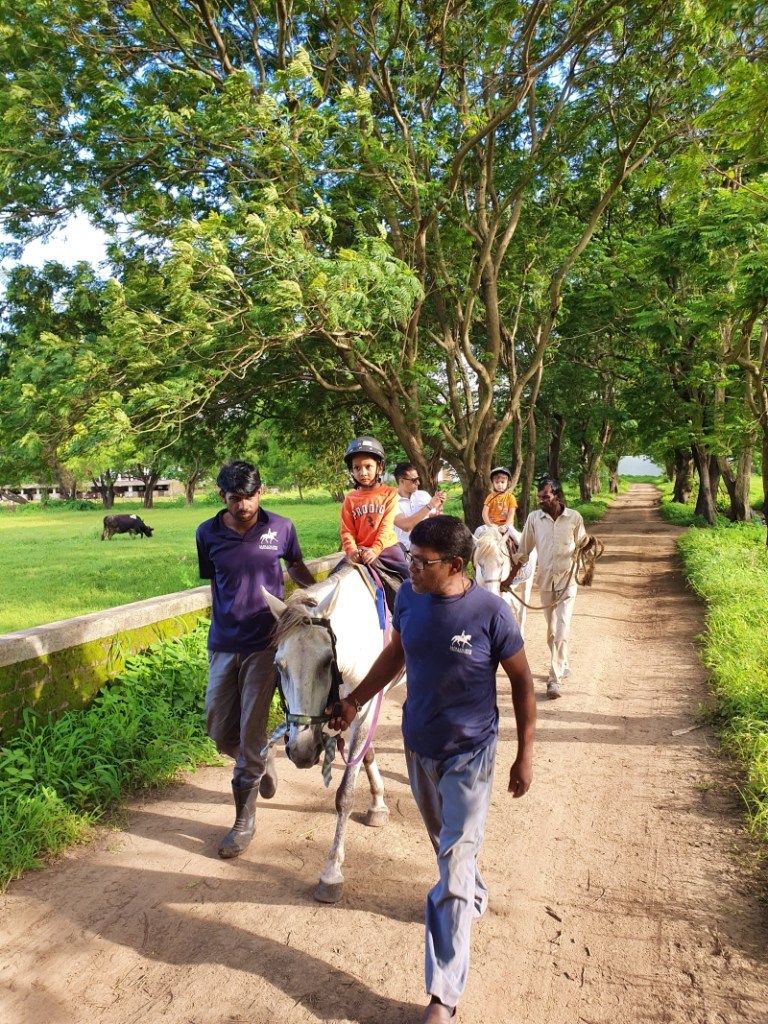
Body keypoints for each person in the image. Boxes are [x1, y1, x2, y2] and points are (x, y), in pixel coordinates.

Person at [328, 515, 536, 1024]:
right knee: (445, 845)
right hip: (419, 748)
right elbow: (396, 654)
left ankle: (443, 995)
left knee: (452, 873)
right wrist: (355, 700)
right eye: (411, 557)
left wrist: (524, 752)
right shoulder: (410, 599)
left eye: (422, 562)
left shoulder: (491, 613)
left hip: (470, 754)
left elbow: (523, 683)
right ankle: (471, 889)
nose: (411, 567)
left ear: (456, 565)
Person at [196, 460, 315, 859]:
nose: (243, 505)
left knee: (248, 729)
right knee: (218, 728)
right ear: (221, 497)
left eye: (249, 497)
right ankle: (262, 757)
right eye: (235, 499)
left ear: (260, 492)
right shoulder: (207, 533)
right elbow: (215, 580)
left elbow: (295, 567)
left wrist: (322, 596)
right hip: (223, 643)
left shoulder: (280, 527)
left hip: (266, 644)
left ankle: (243, 822)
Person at [511, 475, 588, 700]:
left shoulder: (574, 518)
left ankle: (554, 680)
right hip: (545, 582)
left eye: (545, 497)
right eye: (539, 497)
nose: (541, 500)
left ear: (557, 495)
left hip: (567, 582)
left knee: (562, 628)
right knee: (552, 631)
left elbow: (582, 544)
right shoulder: (534, 519)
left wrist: (586, 550)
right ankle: (562, 663)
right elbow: (523, 552)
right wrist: (509, 579)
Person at [340, 436, 409, 582]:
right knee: (333, 579)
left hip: (386, 549)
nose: (362, 472)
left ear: (380, 467)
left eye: (368, 466)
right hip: (359, 550)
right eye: (357, 468)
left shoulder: (389, 493)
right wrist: (351, 551)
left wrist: (375, 549)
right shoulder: (350, 499)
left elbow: (386, 525)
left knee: (409, 580)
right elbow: (347, 530)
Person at [393, 461, 447, 551]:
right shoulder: (391, 500)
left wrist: (439, 507)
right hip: (404, 550)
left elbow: (434, 516)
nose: (418, 483)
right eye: (414, 480)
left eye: (418, 479)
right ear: (401, 481)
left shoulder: (423, 495)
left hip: (427, 547)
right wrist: (430, 505)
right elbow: (407, 526)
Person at [481, 466, 518, 534]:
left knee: (517, 537)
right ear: (493, 484)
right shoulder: (490, 497)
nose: (500, 485)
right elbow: (484, 513)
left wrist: (505, 526)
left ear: (508, 483)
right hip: (492, 525)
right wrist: (490, 525)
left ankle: (523, 544)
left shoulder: (511, 497)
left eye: (502, 482)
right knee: (478, 530)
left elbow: (511, 514)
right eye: (497, 482)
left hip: (507, 526)